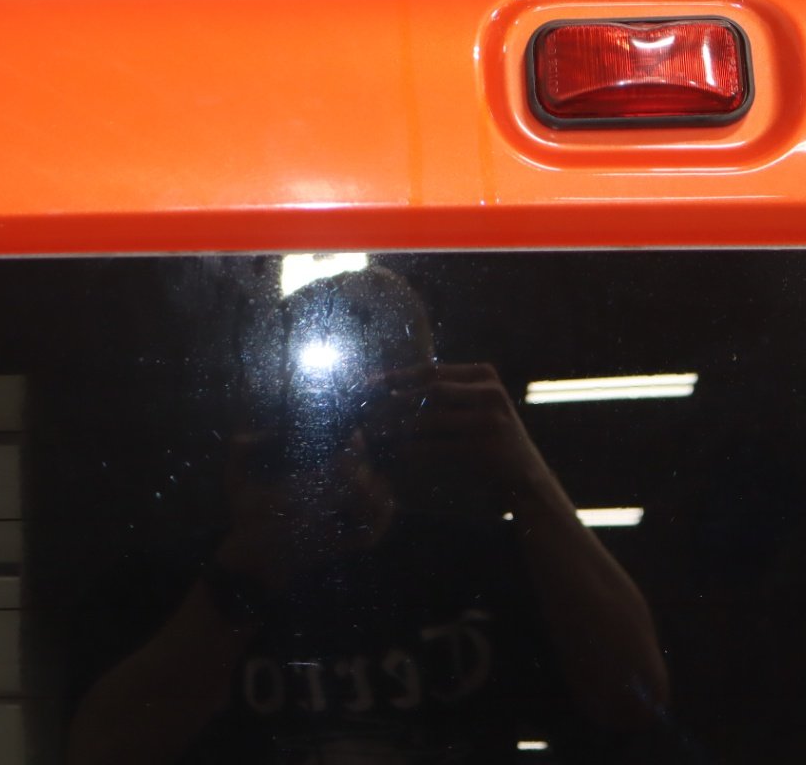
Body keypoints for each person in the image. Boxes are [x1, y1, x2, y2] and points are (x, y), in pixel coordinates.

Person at [66, 266, 669, 764]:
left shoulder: (490, 565)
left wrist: (526, 479)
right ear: (273, 405)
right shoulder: (176, 581)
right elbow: (101, 751)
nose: (350, 427)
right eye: (319, 403)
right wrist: (253, 559)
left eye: (381, 396)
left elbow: (633, 702)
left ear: (426, 398)